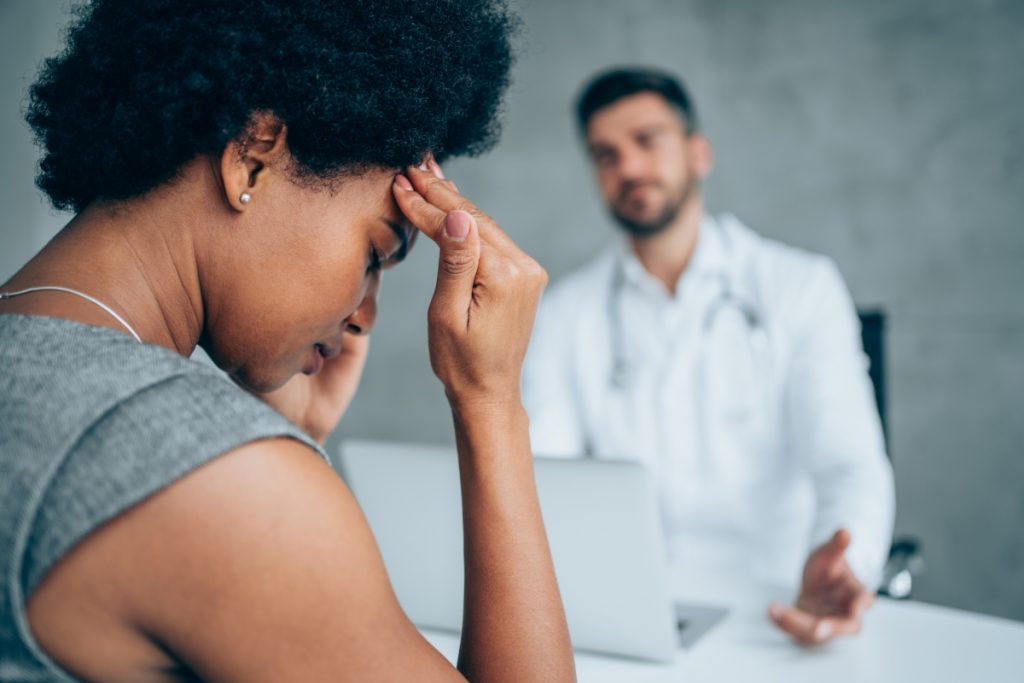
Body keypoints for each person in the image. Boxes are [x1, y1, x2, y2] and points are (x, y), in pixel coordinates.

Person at [0, 2, 576, 681]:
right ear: (253, 158)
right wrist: (491, 402)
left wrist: (263, 437)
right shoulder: (219, 485)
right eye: (374, 254)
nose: (365, 313)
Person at [522, 67, 895, 645]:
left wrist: (848, 565)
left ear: (699, 154)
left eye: (647, 141)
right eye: (605, 155)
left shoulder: (799, 286)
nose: (628, 168)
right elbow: (544, 482)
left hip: (776, 609)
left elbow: (849, 464)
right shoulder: (565, 310)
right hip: (630, 616)